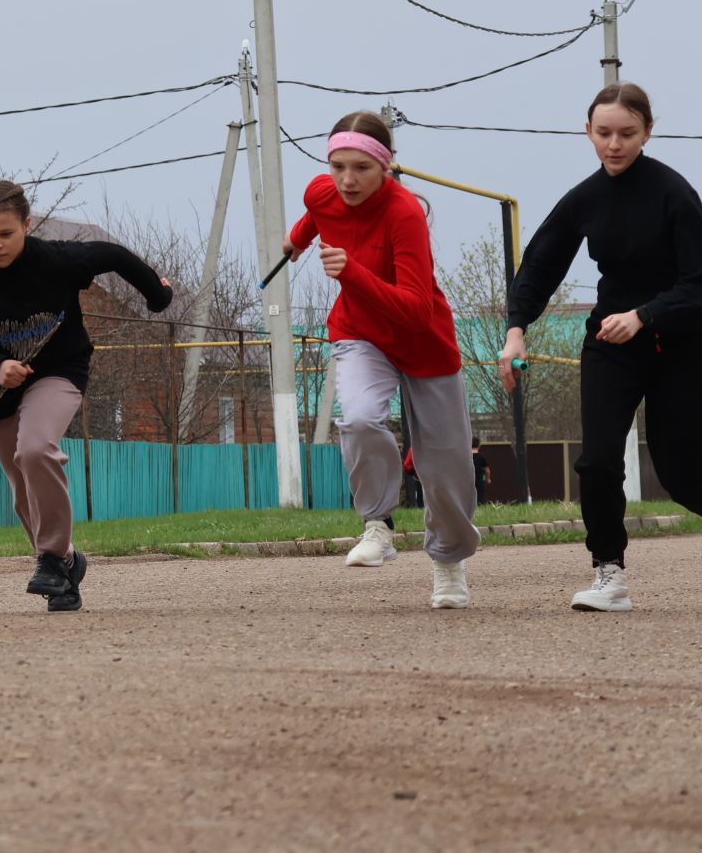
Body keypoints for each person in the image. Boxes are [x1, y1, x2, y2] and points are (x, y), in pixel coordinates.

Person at [500, 82, 702, 612]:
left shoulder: (674, 195)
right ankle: (609, 573)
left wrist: (644, 315)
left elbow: (698, 284)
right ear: (587, 131)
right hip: (610, 344)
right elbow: (541, 265)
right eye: (604, 132)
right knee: (598, 460)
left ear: (648, 133)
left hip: (678, 344)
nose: (614, 144)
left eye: (627, 134)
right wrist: (516, 328)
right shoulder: (585, 199)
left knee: (681, 468)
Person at [0, 179, 173, 613]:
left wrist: (159, 296)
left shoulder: (56, 260)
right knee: (24, 493)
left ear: (26, 224)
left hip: (60, 369)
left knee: (36, 450)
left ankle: (48, 557)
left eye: (6, 233)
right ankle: (64, 566)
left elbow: (113, 254)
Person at [284, 111, 479, 608]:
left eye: (361, 169)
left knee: (445, 468)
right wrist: (295, 240)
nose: (347, 180)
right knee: (361, 417)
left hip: (424, 343)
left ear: (386, 167)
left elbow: (415, 310)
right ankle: (378, 523)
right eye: (337, 166)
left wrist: (350, 273)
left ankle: (449, 563)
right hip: (359, 333)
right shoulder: (322, 192)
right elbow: (318, 214)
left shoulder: (404, 214)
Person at [471, 436, 491, 507]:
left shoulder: (467, 456)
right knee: (481, 496)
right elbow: (487, 470)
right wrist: (487, 479)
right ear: (479, 445)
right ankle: (481, 506)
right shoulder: (481, 456)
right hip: (480, 480)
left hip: (468, 480)